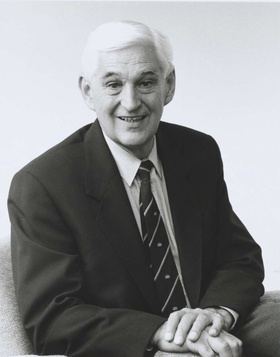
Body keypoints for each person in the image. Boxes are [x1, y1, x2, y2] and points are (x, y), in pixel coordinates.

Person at [8, 21, 279, 357]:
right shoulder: (43, 184)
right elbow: (52, 319)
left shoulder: (197, 151)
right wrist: (160, 333)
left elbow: (240, 258)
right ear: (88, 92)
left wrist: (214, 315)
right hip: (132, 345)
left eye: (145, 82)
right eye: (113, 84)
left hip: (210, 329)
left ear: (169, 85)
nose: (131, 102)